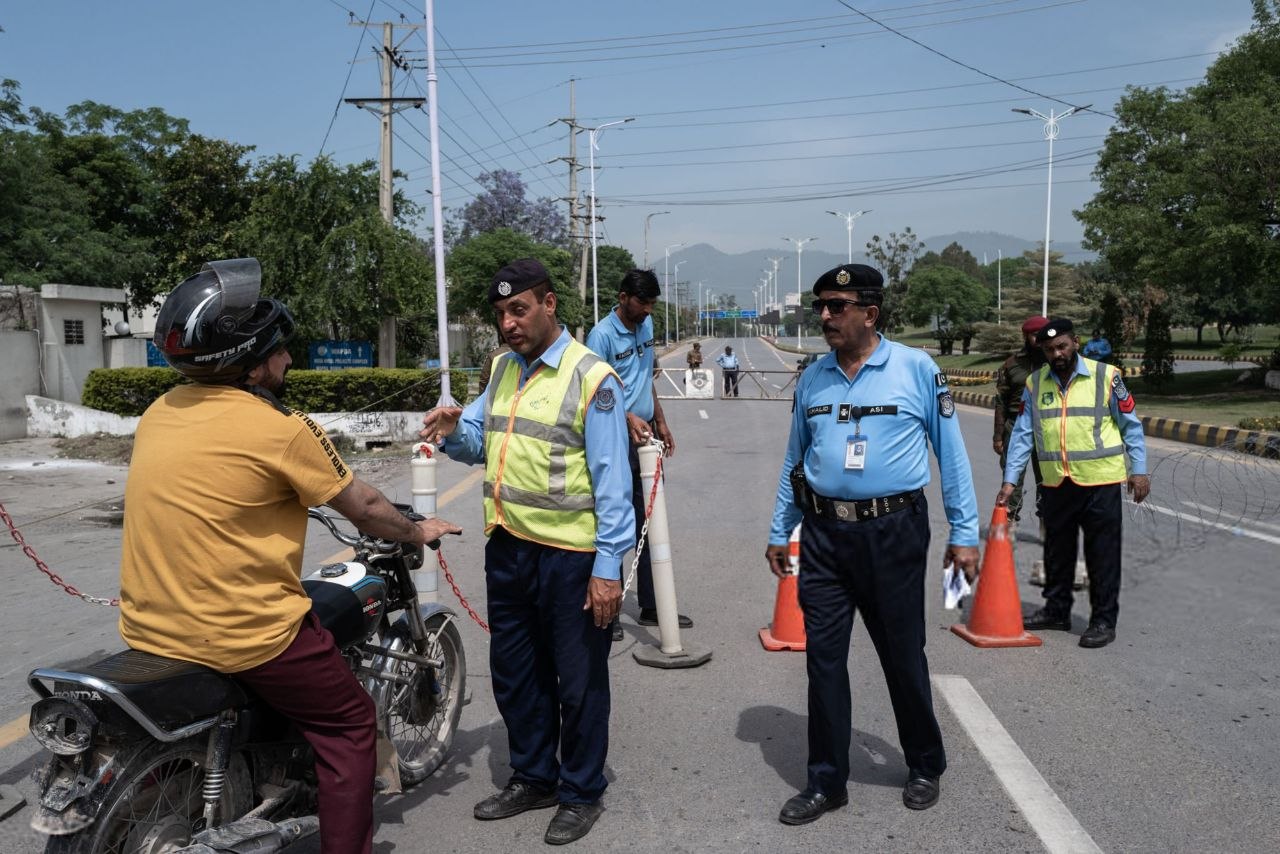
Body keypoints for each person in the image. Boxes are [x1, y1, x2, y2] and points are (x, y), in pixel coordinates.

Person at [121, 258, 462, 854]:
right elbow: (365, 506)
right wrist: (416, 529)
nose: (287, 360)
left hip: (150, 624)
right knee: (352, 723)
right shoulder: (281, 429)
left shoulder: (159, 414)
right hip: (245, 634)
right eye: (279, 349)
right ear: (253, 362)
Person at [420, 258, 633, 846]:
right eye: (500, 314)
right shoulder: (503, 371)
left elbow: (615, 484)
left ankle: (581, 790)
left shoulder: (592, 377)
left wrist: (608, 570)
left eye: (519, 310)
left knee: (579, 680)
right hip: (509, 547)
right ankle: (534, 775)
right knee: (517, 675)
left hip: (571, 557)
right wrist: (451, 430)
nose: (509, 323)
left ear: (549, 305)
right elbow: (480, 445)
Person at [765, 263, 979, 826]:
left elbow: (950, 455)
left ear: (870, 312)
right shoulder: (813, 377)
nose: (826, 317)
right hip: (825, 537)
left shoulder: (915, 368)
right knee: (824, 663)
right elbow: (796, 460)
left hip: (895, 532)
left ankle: (925, 764)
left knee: (902, 656)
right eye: (822, 307)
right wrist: (778, 529)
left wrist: (964, 533)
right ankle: (826, 780)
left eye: (837, 306)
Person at [999, 318, 1150, 649]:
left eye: (1062, 346)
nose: (1057, 353)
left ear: (1075, 343)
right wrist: (1010, 480)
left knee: (1102, 556)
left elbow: (1131, 426)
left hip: (1101, 482)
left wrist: (1139, 470)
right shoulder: (1035, 383)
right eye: (1050, 349)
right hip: (1056, 484)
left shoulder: (1105, 377)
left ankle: (1103, 621)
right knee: (1057, 552)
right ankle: (1057, 610)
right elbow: (1023, 435)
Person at [586, 269, 690, 642]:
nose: (647, 310)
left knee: (651, 519)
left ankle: (652, 603)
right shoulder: (601, 335)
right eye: (642, 302)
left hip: (645, 435)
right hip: (614, 437)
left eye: (651, 304)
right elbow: (594, 390)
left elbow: (645, 379)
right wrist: (626, 414)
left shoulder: (645, 328)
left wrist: (659, 420)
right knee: (615, 519)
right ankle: (607, 613)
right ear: (623, 296)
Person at [993, 316, 1048, 524]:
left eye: (1043, 335)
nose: (1039, 340)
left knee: (1047, 479)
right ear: (1026, 336)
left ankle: (1047, 523)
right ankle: (1009, 521)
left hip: (1046, 427)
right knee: (1012, 477)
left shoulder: (1056, 362)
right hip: (1015, 425)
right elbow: (1000, 402)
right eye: (1035, 335)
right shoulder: (1011, 365)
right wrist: (998, 436)